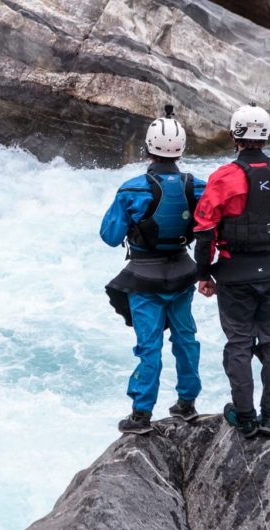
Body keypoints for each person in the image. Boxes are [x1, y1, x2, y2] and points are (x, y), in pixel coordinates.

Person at [193, 104, 270, 438]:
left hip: (235, 276)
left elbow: (205, 231)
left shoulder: (223, 178)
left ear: (235, 136)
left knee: (239, 344)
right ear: (266, 136)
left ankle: (245, 417)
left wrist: (203, 274)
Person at [101, 105, 205, 435]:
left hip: (144, 279)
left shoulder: (132, 189)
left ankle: (141, 414)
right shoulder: (197, 187)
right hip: (183, 273)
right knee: (186, 338)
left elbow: (110, 236)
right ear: (181, 148)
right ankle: (187, 403)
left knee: (149, 347)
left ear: (148, 147)